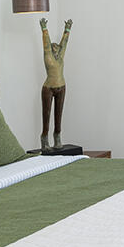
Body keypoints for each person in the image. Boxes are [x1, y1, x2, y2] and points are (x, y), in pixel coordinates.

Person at [39, 18, 72, 151]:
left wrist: (67, 29)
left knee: (58, 114)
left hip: (61, 87)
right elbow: (46, 43)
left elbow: (65, 43)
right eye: (54, 48)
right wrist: (44, 29)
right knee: (46, 115)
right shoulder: (48, 55)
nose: (56, 49)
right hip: (48, 88)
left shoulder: (61, 56)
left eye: (57, 48)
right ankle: (44, 138)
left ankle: (57, 136)